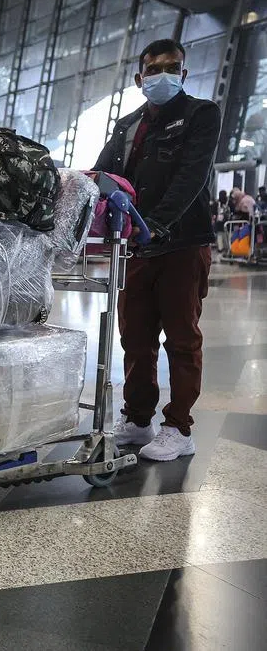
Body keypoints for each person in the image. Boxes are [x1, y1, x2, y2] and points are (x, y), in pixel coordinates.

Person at [92, 38, 220, 462]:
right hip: (137, 249)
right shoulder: (127, 125)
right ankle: (138, 418)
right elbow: (102, 172)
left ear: (183, 73)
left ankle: (179, 427)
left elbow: (191, 176)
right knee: (136, 339)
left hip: (182, 245)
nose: (162, 75)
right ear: (139, 77)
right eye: (153, 69)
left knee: (181, 340)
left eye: (172, 67)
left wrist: (157, 225)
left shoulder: (201, 114)